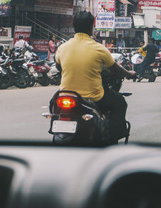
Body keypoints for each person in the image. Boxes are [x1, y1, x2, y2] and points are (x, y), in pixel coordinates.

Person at [55, 11, 137, 141]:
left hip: (66, 95)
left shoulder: (62, 47)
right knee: (120, 102)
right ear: (91, 26)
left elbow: (59, 67)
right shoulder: (99, 49)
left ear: (74, 26)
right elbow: (116, 70)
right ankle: (113, 138)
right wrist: (130, 74)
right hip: (92, 96)